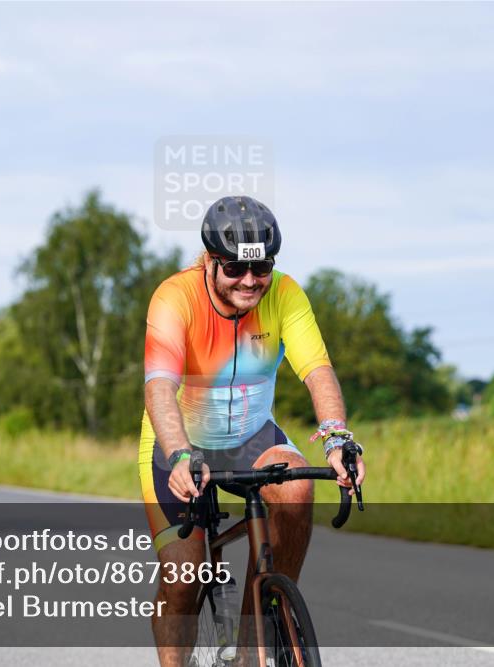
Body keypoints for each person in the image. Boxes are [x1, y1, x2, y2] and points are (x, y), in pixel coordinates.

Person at [139, 195, 366, 666]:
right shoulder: (175, 297)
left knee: (298, 484)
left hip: (251, 436)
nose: (250, 281)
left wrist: (338, 437)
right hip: (180, 442)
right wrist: (180, 455)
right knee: (185, 577)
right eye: (236, 270)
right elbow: (160, 388)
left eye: (260, 268)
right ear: (210, 261)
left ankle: (253, 643)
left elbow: (317, 369)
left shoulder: (285, 294)